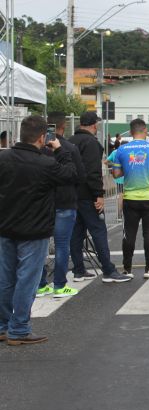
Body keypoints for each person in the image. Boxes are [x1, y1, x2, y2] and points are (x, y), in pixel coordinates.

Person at [0, 115, 77, 345]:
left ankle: (3, 326)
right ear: (43, 137)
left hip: (5, 227)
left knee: (5, 279)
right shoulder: (46, 164)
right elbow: (71, 174)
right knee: (27, 280)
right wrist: (60, 150)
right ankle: (19, 329)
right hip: (34, 231)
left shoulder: (3, 158)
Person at [68, 111, 131, 284]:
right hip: (88, 195)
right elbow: (93, 172)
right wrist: (99, 194)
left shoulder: (70, 141)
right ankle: (108, 270)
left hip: (72, 195)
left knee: (76, 233)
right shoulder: (91, 143)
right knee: (98, 231)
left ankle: (79, 269)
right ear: (94, 125)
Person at [36, 112, 87, 298]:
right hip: (65, 201)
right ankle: (59, 285)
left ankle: (40, 284)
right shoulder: (69, 148)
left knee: (40, 246)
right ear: (63, 126)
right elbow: (80, 176)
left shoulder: (39, 148)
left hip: (43, 203)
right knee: (62, 245)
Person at [112, 119, 149, 279]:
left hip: (130, 198)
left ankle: (127, 269)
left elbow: (116, 174)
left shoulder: (121, 150)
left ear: (131, 132)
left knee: (128, 234)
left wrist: (129, 169)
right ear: (145, 130)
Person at [104, 140, 124, 218]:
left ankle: (119, 214)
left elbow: (105, 162)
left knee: (120, 195)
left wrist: (114, 164)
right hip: (129, 177)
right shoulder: (129, 152)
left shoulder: (115, 152)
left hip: (118, 178)